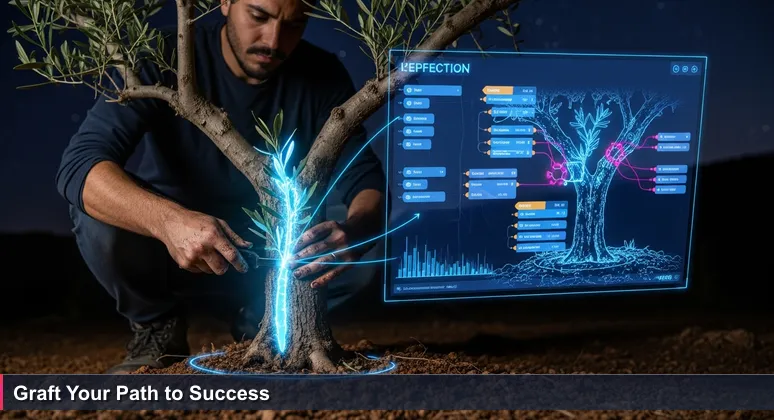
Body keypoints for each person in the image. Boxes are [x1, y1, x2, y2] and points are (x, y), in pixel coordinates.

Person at [55, 0, 387, 374]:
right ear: (225, 3)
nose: (273, 40)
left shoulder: (322, 73)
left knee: (370, 241)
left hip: (268, 257)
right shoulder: (162, 58)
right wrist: (169, 222)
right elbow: (80, 165)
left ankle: (261, 324)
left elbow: (367, 179)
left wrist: (355, 232)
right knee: (100, 208)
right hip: (169, 246)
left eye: (294, 24)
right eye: (259, 16)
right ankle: (157, 326)